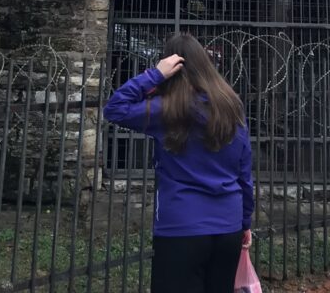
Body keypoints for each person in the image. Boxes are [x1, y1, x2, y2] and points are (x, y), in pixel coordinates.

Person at [103, 33, 254, 293]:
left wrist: (155, 74)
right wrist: (245, 221)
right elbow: (244, 172)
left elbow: (115, 108)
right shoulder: (231, 107)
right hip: (228, 226)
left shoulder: (167, 109)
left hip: (181, 227)